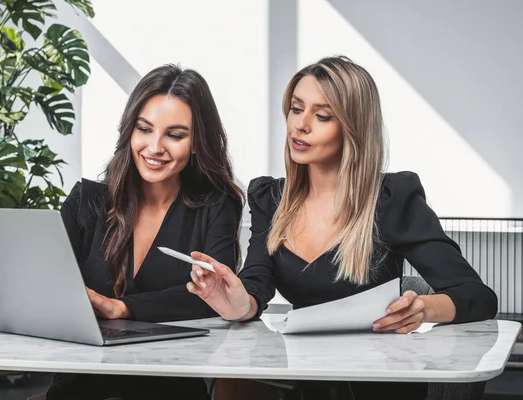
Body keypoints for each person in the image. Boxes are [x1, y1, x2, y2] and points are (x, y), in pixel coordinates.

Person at [187, 56, 498, 400]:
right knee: (235, 379)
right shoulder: (269, 198)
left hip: (373, 380)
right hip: (302, 372)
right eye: (296, 108)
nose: (300, 125)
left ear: (352, 127)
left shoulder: (392, 199)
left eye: (322, 116)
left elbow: (478, 296)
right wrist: (235, 303)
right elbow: (257, 282)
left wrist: (423, 308)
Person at [46, 64, 244, 400]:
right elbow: (45, 280)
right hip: (83, 378)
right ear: (130, 131)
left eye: (175, 135)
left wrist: (121, 308)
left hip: (167, 383)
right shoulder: (87, 201)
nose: (154, 148)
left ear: (197, 143)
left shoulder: (216, 206)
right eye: (144, 129)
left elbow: (213, 299)